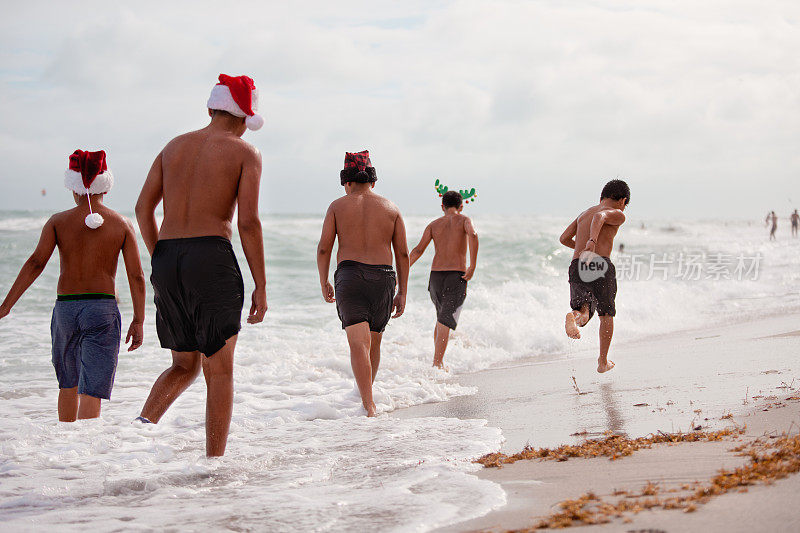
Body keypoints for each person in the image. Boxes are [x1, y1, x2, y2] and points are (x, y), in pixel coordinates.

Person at [135, 74, 267, 456]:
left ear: (211, 107)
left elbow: (143, 209)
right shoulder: (245, 152)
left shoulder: (173, 146)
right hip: (210, 256)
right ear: (245, 117)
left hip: (168, 256)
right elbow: (248, 223)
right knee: (218, 369)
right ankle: (214, 467)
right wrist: (260, 283)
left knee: (183, 365)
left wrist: (159, 253)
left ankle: (134, 438)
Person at [0, 150, 145, 421]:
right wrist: (139, 319)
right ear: (105, 187)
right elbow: (136, 275)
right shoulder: (122, 224)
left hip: (66, 309)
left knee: (68, 382)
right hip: (102, 309)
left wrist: (6, 305)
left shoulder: (57, 221)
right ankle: (85, 453)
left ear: (74, 189)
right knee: (93, 389)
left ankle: (65, 447)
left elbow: (35, 263)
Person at [317, 150, 409, 417]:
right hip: (384, 278)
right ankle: (367, 396)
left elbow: (324, 248)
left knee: (358, 343)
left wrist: (323, 280)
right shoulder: (391, 208)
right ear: (373, 181)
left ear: (347, 182)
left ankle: (368, 403)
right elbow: (402, 253)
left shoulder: (337, 206)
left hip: (350, 276)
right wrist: (402, 291)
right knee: (374, 342)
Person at [559, 179, 630, 373]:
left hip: (577, 264)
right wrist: (593, 242)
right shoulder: (618, 214)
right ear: (623, 200)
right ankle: (602, 361)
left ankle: (574, 317)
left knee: (584, 309)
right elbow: (600, 216)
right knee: (606, 314)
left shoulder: (583, 214)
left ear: (602, 197)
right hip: (600, 264)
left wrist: (583, 248)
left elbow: (564, 238)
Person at [409, 190, 479, 368]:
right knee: (445, 320)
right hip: (456, 275)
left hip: (435, 277)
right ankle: (437, 363)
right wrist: (472, 266)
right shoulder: (464, 220)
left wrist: (400, 273)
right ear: (461, 206)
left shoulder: (433, 224)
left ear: (443, 207)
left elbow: (417, 250)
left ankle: (436, 362)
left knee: (441, 319)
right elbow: (473, 235)